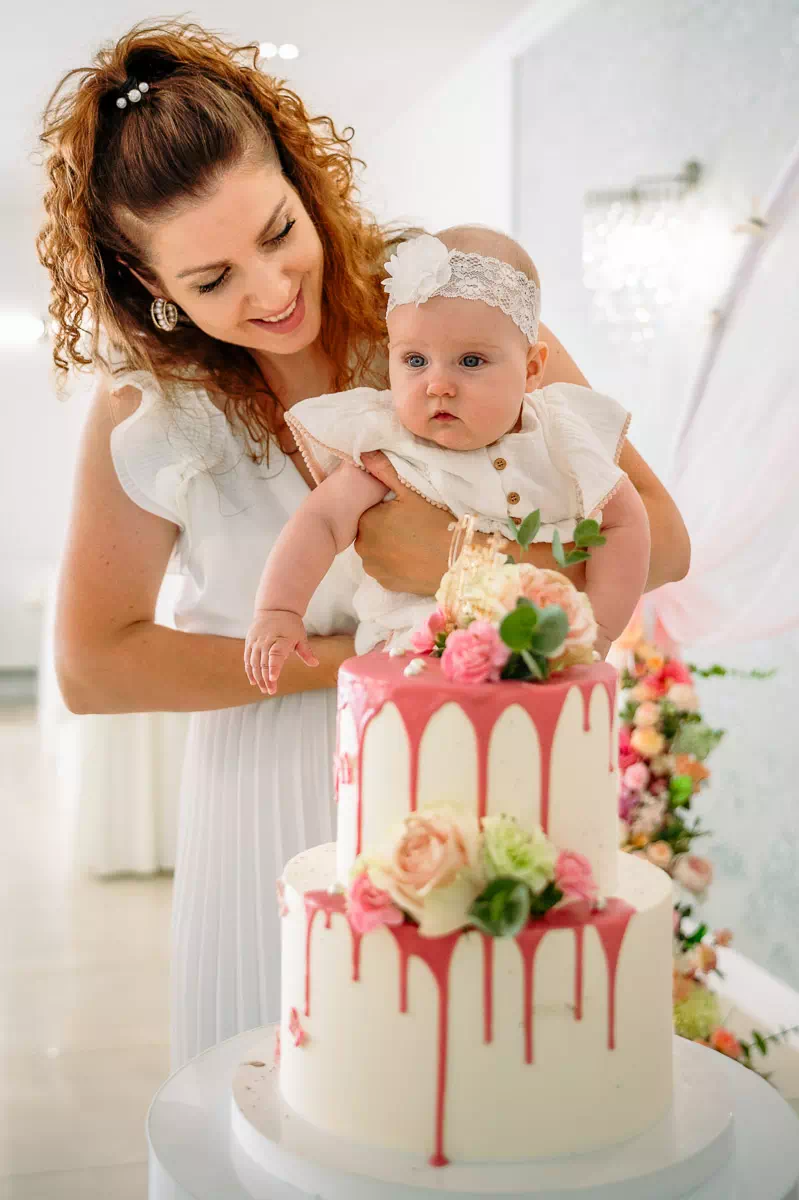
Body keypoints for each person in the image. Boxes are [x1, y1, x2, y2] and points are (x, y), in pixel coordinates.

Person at [37, 21, 691, 1068]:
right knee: (282, 1080)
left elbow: (661, 541)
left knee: (470, 1077)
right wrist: (362, 661)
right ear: (143, 278)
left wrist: (455, 568)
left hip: (468, 761)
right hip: (261, 791)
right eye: (210, 279)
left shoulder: (449, 310)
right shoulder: (147, 408)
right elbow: (93, 666)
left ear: (303, 179)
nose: (268, 292)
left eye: (277, 233)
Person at [245, 226, 650, 692]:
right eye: (415, 361)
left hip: (538, 662)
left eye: (471, 361)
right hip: (410, 661)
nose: (438, 385)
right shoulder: (393, 450)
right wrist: (279, 609)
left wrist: (598, 630)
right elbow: (320, 521)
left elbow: (625, 523)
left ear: (532, 369)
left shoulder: (562, 438)